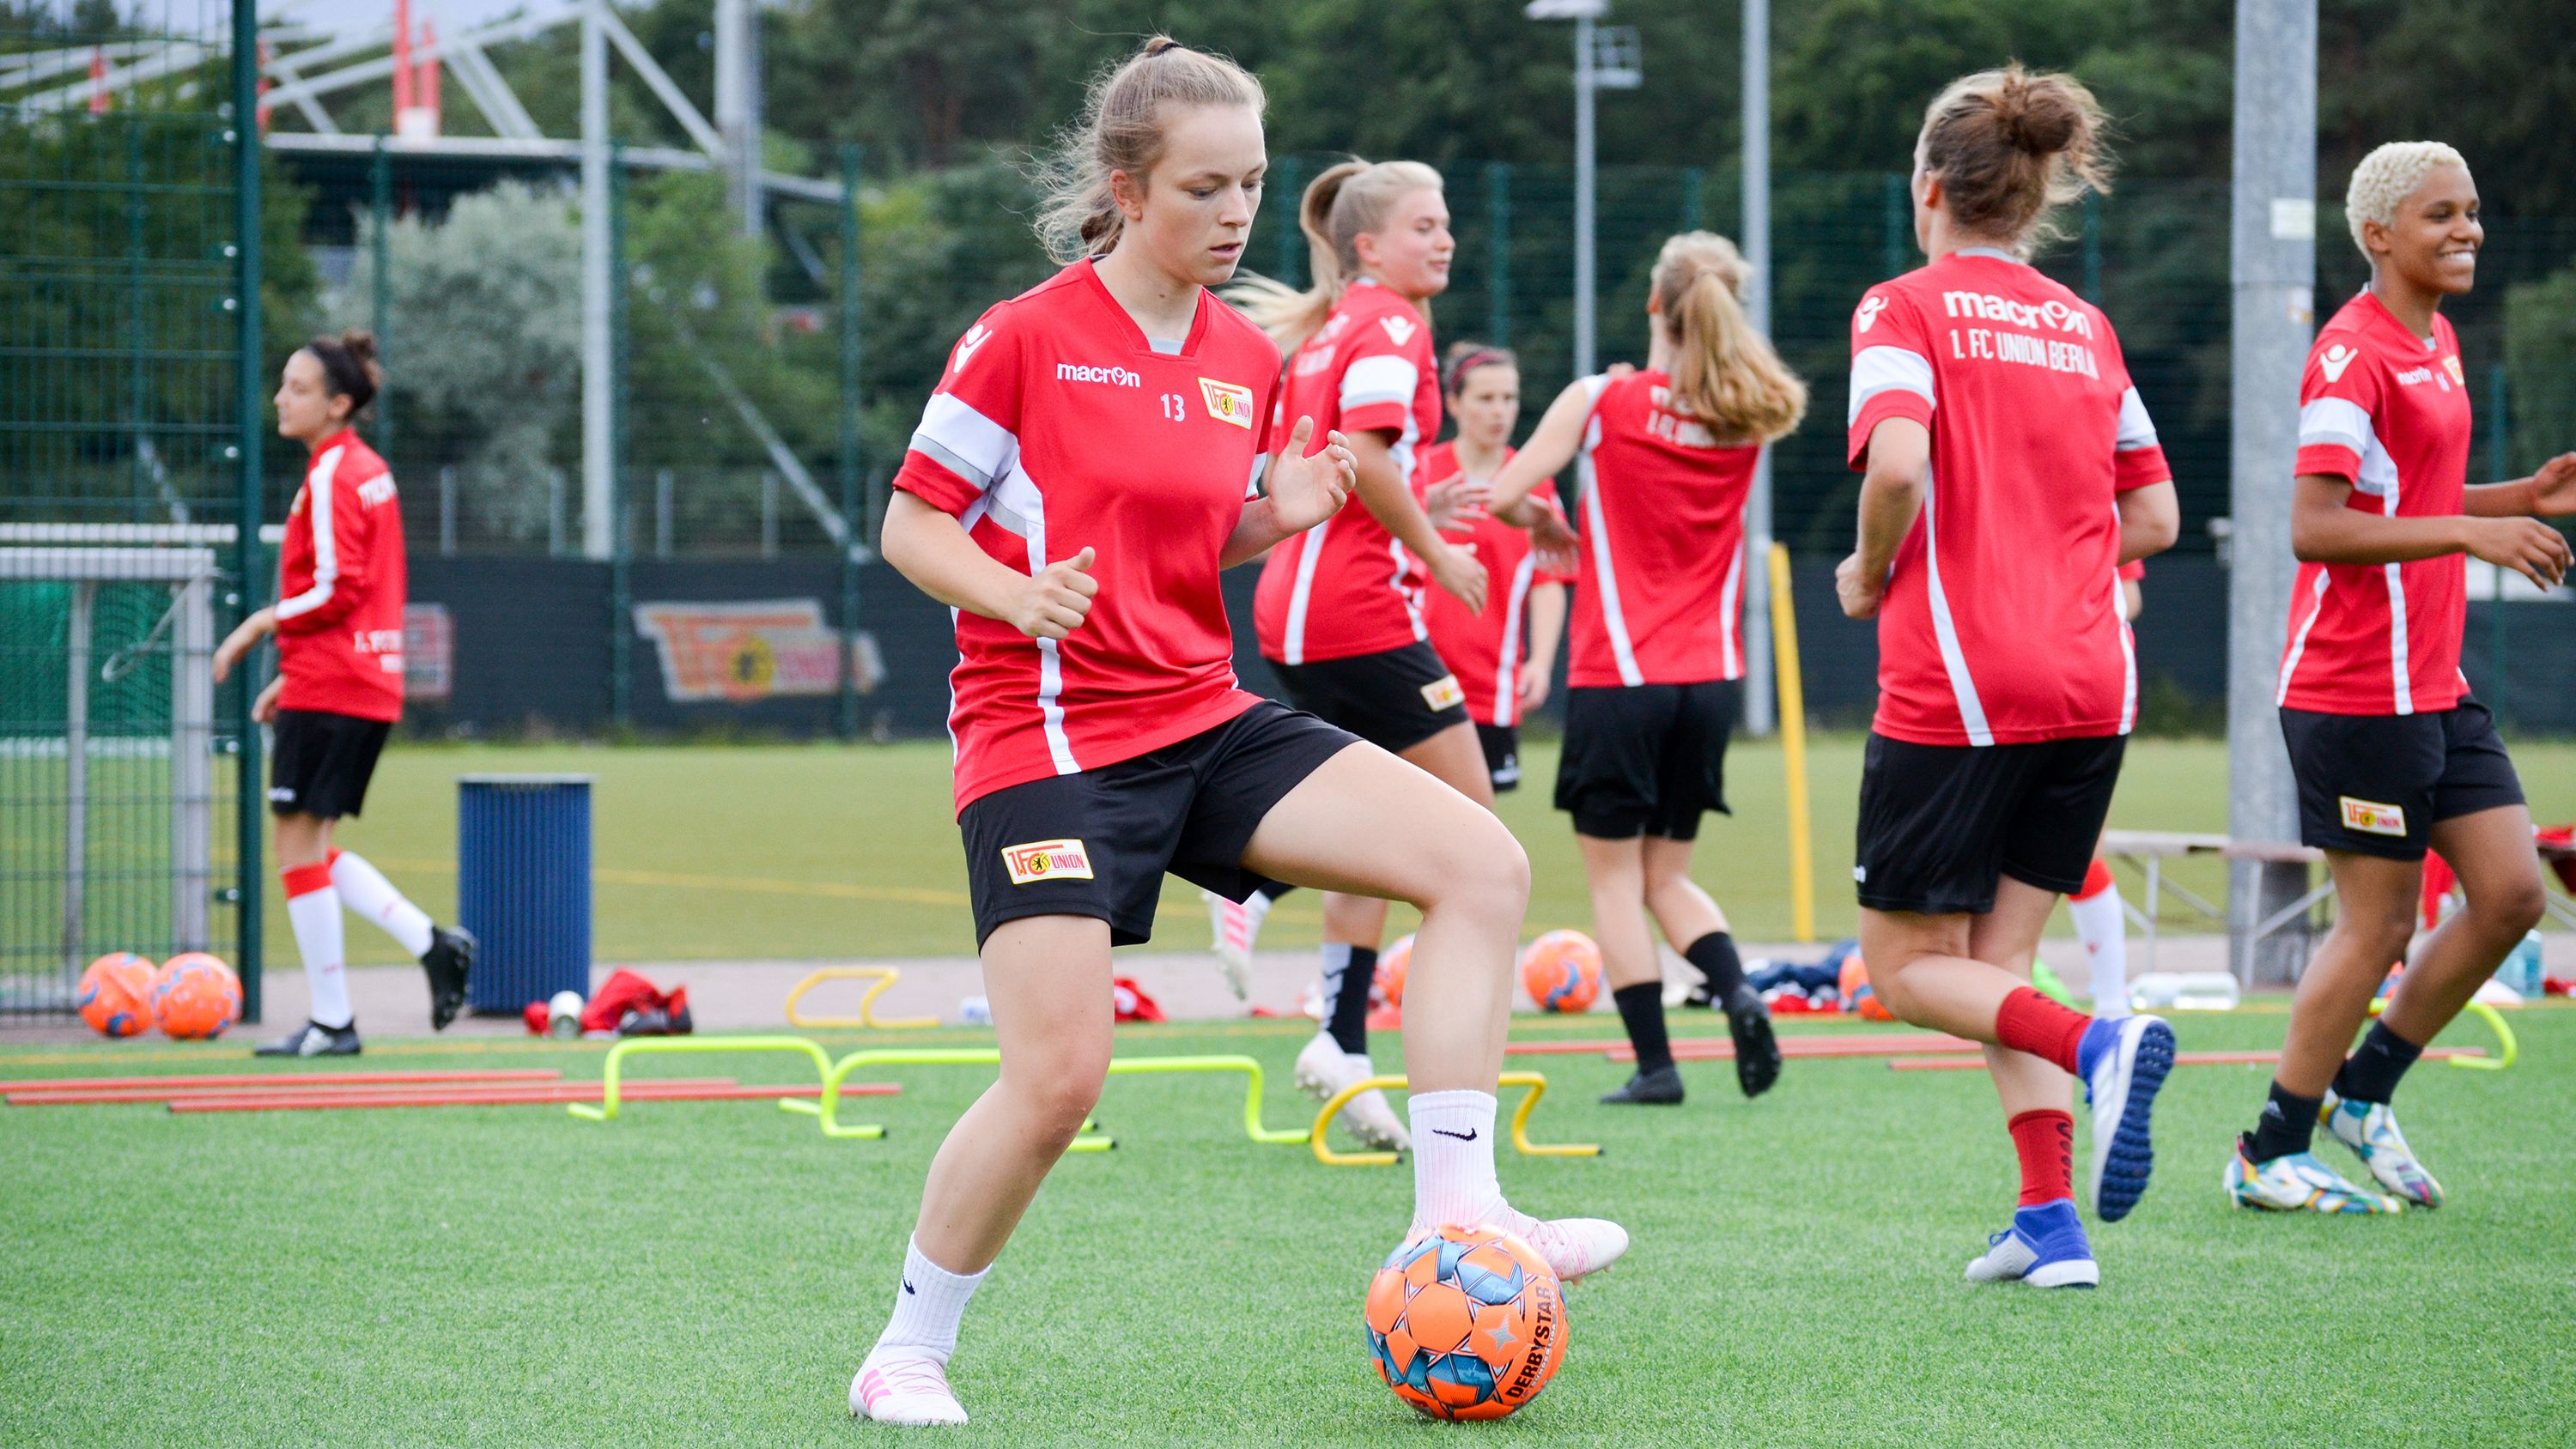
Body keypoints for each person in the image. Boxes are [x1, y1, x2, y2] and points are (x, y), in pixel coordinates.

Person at [850, 39, 1624, 1428]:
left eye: (1253, 186)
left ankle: (1462, 1217)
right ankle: (907, 1343)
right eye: (1206, 187)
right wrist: (1016, 593)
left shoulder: (1241, 358)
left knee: (1482, 865)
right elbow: (911, 521)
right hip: (1044, 737)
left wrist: (1292, 510)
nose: (1236, 215)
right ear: (1126, 185)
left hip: (1200, 711)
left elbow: (1207, 537)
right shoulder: (1023, 337)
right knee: (1060, 1076)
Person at [1833, 67, 2183, 1288]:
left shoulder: (1904, 306)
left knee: (1906, 968)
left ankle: (2103, 1044)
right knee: (1994, 963)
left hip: (1961, 685)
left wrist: (1873, 570)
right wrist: (2053, 549)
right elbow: (2156, 512)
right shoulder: (2084, 325)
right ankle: (2050, 1223)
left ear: (1929, 189)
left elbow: (1895, 469)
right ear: (2035, 196)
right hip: (2096, 681)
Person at [2227, 141, 2575, 1216]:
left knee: (2514, 892)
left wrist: (2523, 491)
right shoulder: (2351, 354)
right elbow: (2317, 525)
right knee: (2375, 925)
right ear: (2379, 235)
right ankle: (2267, 1147)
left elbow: (2405, 485)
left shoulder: (2439, 339)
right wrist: (2474, 529)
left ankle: (2364, 1097)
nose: (2466, 230)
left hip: (2431, 679)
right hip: (2350, 690)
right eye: (2440, 215)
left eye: (2471, 211)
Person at [1485, 233, 1801, 1106]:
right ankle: (1737, 988)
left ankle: (1657, 1066)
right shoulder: (1751, 411)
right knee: (1670, 877)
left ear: (1656, 305)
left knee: (1615, 883)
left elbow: (1508, 495)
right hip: (1709, 682)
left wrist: (1551, 529)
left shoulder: (1602, 398)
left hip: (1620, 677)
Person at [1229, 155, 1501, 1151]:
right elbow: (1369, 448)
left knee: (1402, 832)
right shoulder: (1388, 321)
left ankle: (1341, 1039)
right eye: (1425, 224)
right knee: (1473, 844)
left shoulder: (1335, 325)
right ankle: (1254, 885)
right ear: (1368, 246)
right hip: (1357, 616)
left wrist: (1414, 517)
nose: (1446, 238)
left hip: (1300, 607)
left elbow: (1343, 471)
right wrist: (1436, 550)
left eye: (1447, 223)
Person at [210, 331, 474, 1057]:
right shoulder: (366, 469)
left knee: (297, 848)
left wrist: (259, 626)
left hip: (339, 684)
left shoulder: (332, 474)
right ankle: (431, 944)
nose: (280, 398)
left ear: (339, 403)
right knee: (312, 846)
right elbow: (358, 595)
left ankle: (333, 1021)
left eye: (297, 387)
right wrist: (295, 674)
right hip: (357, 680)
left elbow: (339, 587)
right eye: (283, 384)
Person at [1415, 343, 1572, 793]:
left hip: (1490, 688)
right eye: (1485, 399)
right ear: (1453, 402)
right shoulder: (1422, 473)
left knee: (1479, 824)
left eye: (1509, 398)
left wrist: (1541, 662)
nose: (1499, 411)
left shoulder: (1532, 480)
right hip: (1418, 675)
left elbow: (1547, 581)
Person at [2064, 560, 2147, 1019]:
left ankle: (2113, 1004)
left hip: (2084, 684)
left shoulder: (2094, 496)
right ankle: (1989, 990)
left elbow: (2129, 596)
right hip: (1997, 685)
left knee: (2080, 851)